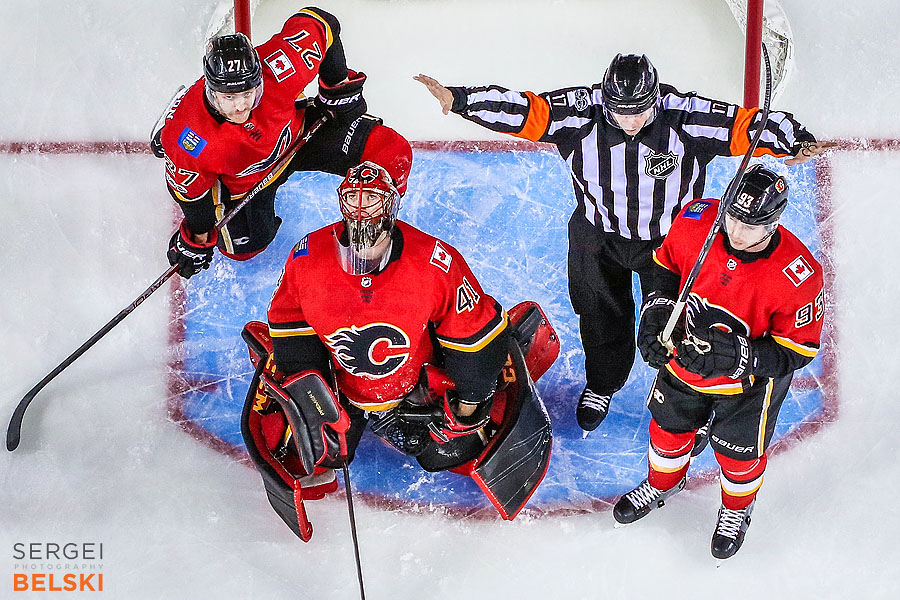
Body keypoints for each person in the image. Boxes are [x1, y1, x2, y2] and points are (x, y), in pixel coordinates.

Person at [415, 54, 830, 432]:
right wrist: (460, 99)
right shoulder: (580, 114)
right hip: (599, 235)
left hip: (671, 243)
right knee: (597, 311)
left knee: (689, 323)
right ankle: (603, 382)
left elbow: (744, 124)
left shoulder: (685, 115)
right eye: (620, 113)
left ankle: (694, 406)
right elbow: (525, 109)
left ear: (656, 97)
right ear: (604, 99)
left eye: (640, 112)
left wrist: (793, 137)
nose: (630, 122)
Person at [239, 162, 557, 539]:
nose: (362, 211)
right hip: (346, 393)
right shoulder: (306, 257)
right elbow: (290, 326)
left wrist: (469, 404)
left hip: (417, 390)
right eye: (355, 200)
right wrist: (313, 396)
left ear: (390, 206)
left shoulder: (434, 262)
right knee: (324, 456)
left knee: (441, 456)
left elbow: (474, 337)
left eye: (372, 199)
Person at [613, 165, 824, 559]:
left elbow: (797, 351)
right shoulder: (696, 220)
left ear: (774, 223)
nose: (737, 233)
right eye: (732, 218)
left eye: (751, 226)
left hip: (748, 387)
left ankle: (737, 510)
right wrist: (656, 312)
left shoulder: (799, 276)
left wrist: (743, 356)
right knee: (667, 433)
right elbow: (664, 268)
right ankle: (662, 484)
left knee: (737, 456)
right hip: (683, 363)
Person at [154, 7, 411, 278]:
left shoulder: (279, 68)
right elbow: (190, 196)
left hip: (299, 135)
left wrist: (335, 86)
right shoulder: (187, 140)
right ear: (211, 90)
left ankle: (372, 234)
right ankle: (173, 111)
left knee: (391, 152)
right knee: (243, 249)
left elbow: (322, 23)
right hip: (246, 182)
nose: (241, 106)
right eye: (228, 98)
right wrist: (197, 235)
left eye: (247, 93)